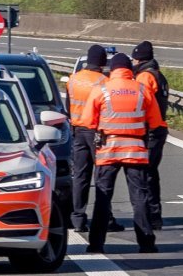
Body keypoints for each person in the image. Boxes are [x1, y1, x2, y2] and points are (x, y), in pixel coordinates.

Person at [81, 53, 163, 254]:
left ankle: (96, 244)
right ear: (129, 69)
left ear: (113, 69)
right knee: (139, 197)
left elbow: (87, 122)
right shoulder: (142, 90)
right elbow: (155, 122)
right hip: (135, 149)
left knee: (103, 197)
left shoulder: (101, 90)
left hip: (108, 149)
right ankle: (146, 243)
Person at [66, 44, 124, 233]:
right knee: (102, 177)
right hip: (97, 132)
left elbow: (68, 107)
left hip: (77, 131)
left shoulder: (73, 79)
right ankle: (105, 218)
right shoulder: (103, 81)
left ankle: (77, 218)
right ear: (102, 62)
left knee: (80, 176)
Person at [131, 40, 170, 230]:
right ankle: (154, 216)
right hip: (159, 129)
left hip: (151, 131)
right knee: (151, 174)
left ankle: (150, 216)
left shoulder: (145, 77)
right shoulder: (157, 74)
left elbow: (141, 102)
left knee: (145, 175)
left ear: (139, 59)